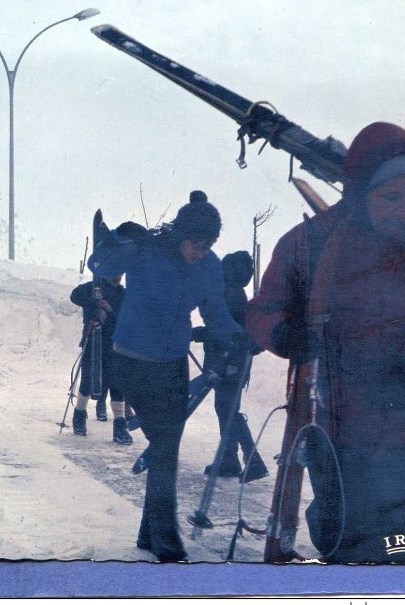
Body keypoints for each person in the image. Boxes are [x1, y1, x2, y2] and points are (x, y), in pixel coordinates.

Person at [246, 122, 405, 564]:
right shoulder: (311, 243)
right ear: (359, 193)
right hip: (332, 406)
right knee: (344, 523)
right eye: (391, 197)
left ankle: (397, 583)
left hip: (399, 406)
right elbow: (264, 309)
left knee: (398, 527)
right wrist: (283, 333)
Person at [88, 191, 245, 562]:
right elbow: (99, 264)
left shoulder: (209, 266)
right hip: (133, 359)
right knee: (164, 443)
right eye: (195, 244)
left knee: (165, 446)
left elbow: (215, 312)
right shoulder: (145, 250)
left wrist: (239, 336)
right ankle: (166, 538)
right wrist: (112, 240)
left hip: (173, 362)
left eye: (209, 246)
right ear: (180, 235)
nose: (200, 252)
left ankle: (151, 533)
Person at [192, 250, 269, 483]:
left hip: (228, 361)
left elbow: (227, 331)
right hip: (231, 360)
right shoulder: (236, 292)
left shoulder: (230, 293)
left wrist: (202, 333)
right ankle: (229, 459)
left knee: (227, 410)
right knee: (225, 408)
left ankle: (252, 460)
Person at [69, 274, 133, 445]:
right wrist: (95, 305)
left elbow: (127, 317)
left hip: (115, 344)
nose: (118, 276)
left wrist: (109, 310)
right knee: (88, 381)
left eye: (120, 273)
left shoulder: (123, 293)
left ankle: (120, 426)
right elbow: (75, 296)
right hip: (93, 341)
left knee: (117, 383)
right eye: (115, 272)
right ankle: (79, 415)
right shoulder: (92, 287)